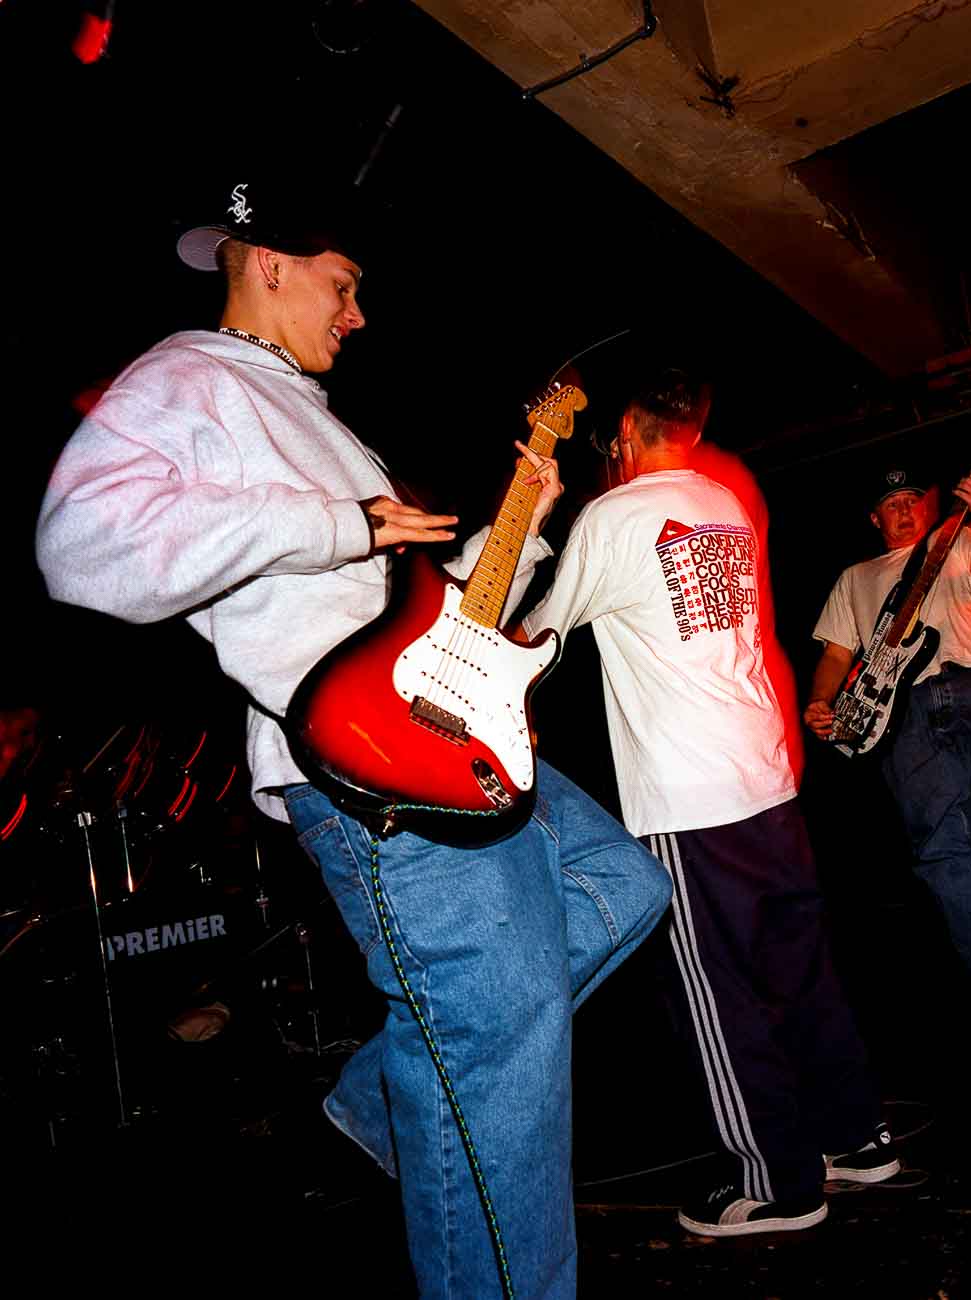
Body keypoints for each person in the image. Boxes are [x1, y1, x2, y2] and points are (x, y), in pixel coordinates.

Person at [34, 176, 671, 1299]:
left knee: (624, 884)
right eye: (344, 285)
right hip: (368, 759)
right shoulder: (188, 378)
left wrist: (514, 534)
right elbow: (79, 547)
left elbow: (430, 603)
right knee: (500, 1039)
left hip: (459, 725)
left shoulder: (320, 419)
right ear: (266, 261)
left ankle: (392, 1092)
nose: (358, 314)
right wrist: (338, 523)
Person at [521, 371, 897, 1239]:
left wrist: (528, 534)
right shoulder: (723, 501)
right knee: (800, 969)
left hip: (689, 798)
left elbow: (536, 634)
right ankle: (857, 1137)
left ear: (623, 431)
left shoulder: (612, 517)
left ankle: (777, 1183)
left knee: (715, 991)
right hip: (765, 779)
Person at [806, 466, 971, 1067]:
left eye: (912, 499)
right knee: (947, 859)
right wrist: (821, 702)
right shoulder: (855, 578)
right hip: (903, 711)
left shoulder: (956, 540)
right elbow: (837, 653)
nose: (903, 510)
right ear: (875, 518)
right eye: (890, 503)